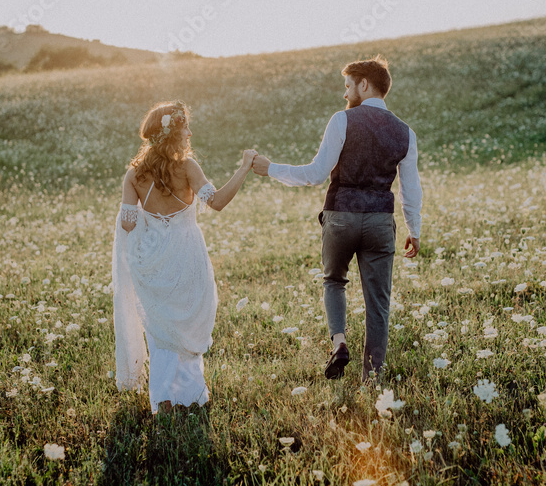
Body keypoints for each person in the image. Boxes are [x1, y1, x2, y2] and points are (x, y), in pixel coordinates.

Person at [253, 55, 422, 384]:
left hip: (340, 216)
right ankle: (372, 381)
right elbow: (410, 189)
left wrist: (270, 168)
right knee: (378, 304)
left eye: (348, 86)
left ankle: (340, 343)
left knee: (333, 281)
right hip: (379, 221)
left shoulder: (342, 121)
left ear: (363, 84)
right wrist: (414, 230)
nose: (345, 95)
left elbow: (316, 174)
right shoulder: (406, 133)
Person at [112, 100, 257, 414]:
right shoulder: (188, 167)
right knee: (188, 319)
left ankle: (163, 398)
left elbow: (127, 223)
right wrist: (244, 168)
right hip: (187, 252)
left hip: (152, 258)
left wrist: (150, 216)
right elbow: (216, 202)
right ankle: (189, 396)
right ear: (174, 134)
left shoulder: (134, 175)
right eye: (185, 128)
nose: (189, 133)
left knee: (161, 325)